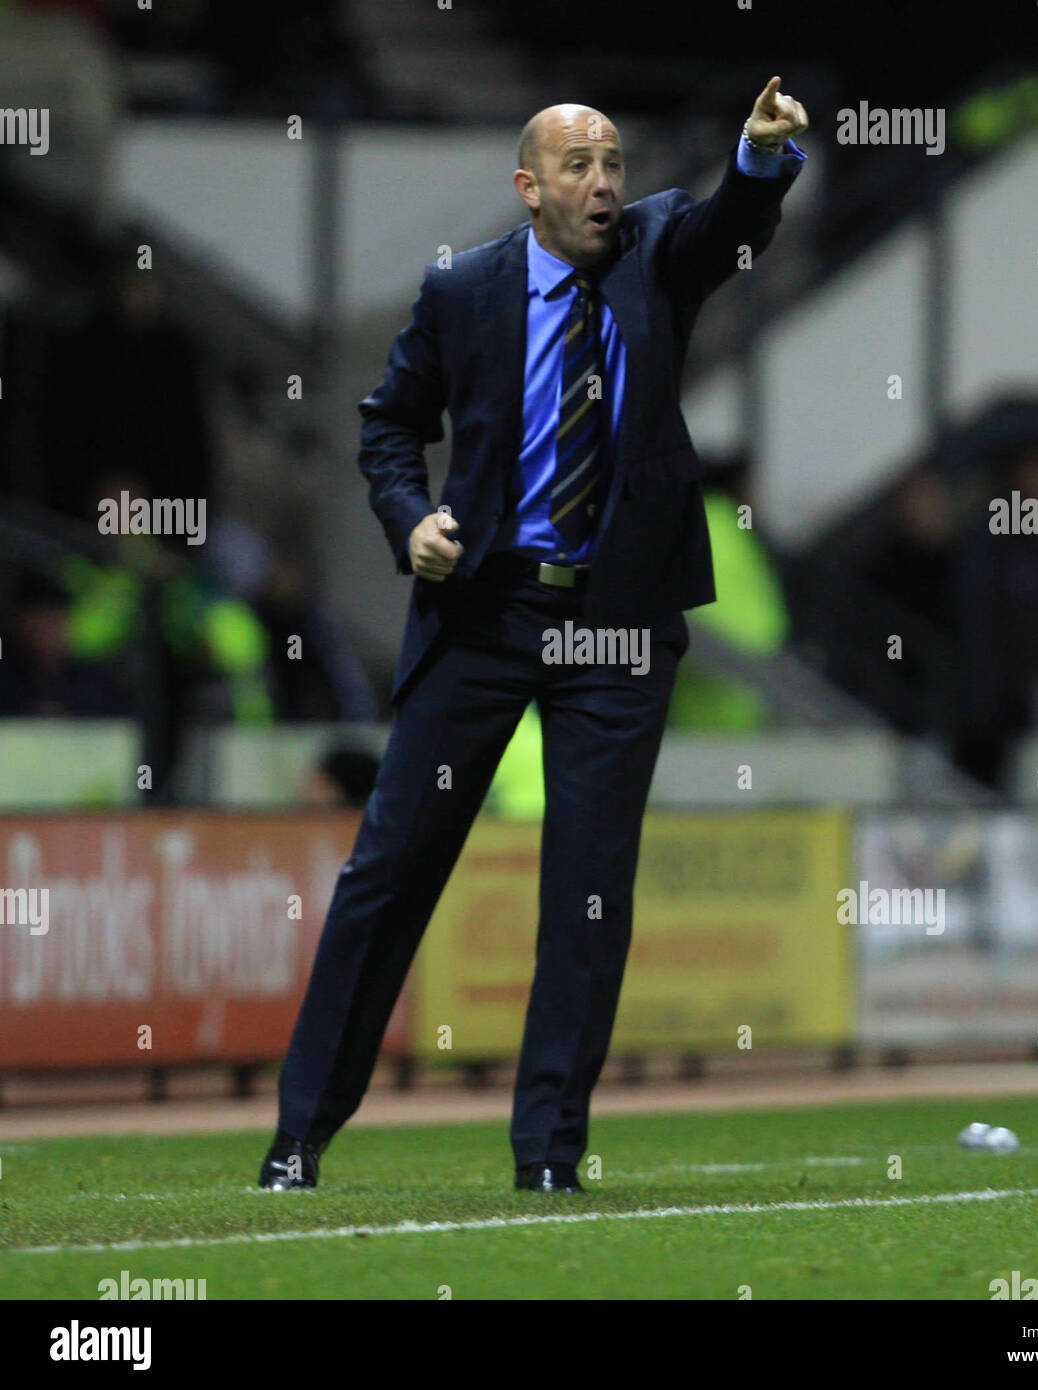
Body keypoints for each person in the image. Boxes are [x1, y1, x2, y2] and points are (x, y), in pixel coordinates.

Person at [259, 79, 808, 1195]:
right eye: (577, 166)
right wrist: (410, 519)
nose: (603, 183)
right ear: (528, 188)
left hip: (615, 626)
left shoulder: (659, 250)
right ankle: (298, 1136)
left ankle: (549, 1155)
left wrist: (755, 161)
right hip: (486, 613)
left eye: (611, 162)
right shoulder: (462, 289)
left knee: (588, 890)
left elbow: (725, 228)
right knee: (391, 869)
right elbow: (387, 424)